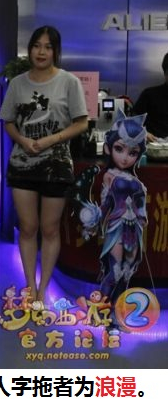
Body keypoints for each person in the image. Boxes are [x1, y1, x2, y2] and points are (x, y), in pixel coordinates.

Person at [0, 25, 88, 311]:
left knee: (49, 229)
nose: (41, 52)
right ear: (30, 49)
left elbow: (81, 123)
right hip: (22, 164)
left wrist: (51, 139)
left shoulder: (69, 82)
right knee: (28, 227)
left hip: (57, 165)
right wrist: (22, 140)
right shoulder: (17, 83)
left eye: (48, 47)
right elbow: (8, 121)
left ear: (55, 51)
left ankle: (42, 291)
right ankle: (29, 287)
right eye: (37, 46)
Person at [77, 111, 147, 325]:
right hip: (116, 226)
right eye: (119, 149)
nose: (125, 157)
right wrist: (93, 224)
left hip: (134, 228)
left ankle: (117, 313)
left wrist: (141, 215)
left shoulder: (134, 179)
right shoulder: (109, 176)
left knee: (127, 271)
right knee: (114, 271)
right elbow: (106, 204)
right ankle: (99, 311)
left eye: (132, 152)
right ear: (109, 148)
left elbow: (141, 207)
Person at [131, 52, 168, 142]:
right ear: (165, 73)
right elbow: (133, 121)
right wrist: (143, 133)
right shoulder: (149, 94)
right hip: (153, 146)